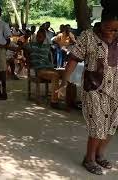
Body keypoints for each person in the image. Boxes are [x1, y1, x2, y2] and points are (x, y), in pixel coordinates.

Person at [58, 0, 118, 175]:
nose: (112, 33)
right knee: (98, 125)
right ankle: (89, 159)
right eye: (109, 28)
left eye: (116, 30)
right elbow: (73, 60)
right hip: (93, 88)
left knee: (111, 125)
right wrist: (64, 82)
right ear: (102, 22)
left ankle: (100, 155)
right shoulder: (88, 36)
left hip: (115, 89)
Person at [24, 29, 62, 108]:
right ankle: (54, 101)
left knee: (68, 74)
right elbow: (23, 47)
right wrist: (28, 59)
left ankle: (70, 101)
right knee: (55, 75)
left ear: (44, 37)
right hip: (40, 70)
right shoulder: (31, 45)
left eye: (40, 36)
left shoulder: (47, 47)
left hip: (50, 68)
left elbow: (50, 58)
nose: (38, 38)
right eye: (37, 36)